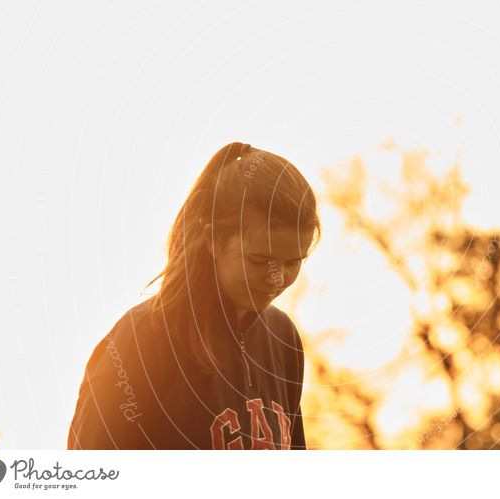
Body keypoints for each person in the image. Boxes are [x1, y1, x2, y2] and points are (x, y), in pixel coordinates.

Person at [67, 142, 320, 449]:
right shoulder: (139, 341)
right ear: (214, 239)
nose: (278, 278)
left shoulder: (284, 339)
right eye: (260, 260)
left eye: (294, 262)